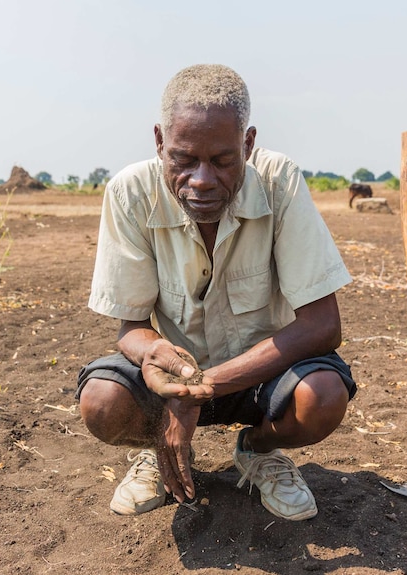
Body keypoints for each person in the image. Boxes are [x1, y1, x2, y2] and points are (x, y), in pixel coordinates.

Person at [76, 64, 356, 521]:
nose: (202, 179)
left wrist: (199, 390)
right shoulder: (130, 192)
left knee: (321, 397)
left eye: (223, 161)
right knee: (102, 402)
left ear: (247, 144)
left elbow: (323, 325)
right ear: (159, 142)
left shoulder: (279, 180)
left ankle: (258, 450)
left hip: (264, 378)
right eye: (184, 160)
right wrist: (164, 366)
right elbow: (131, 327)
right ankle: (157, 447)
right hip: (171, 380)